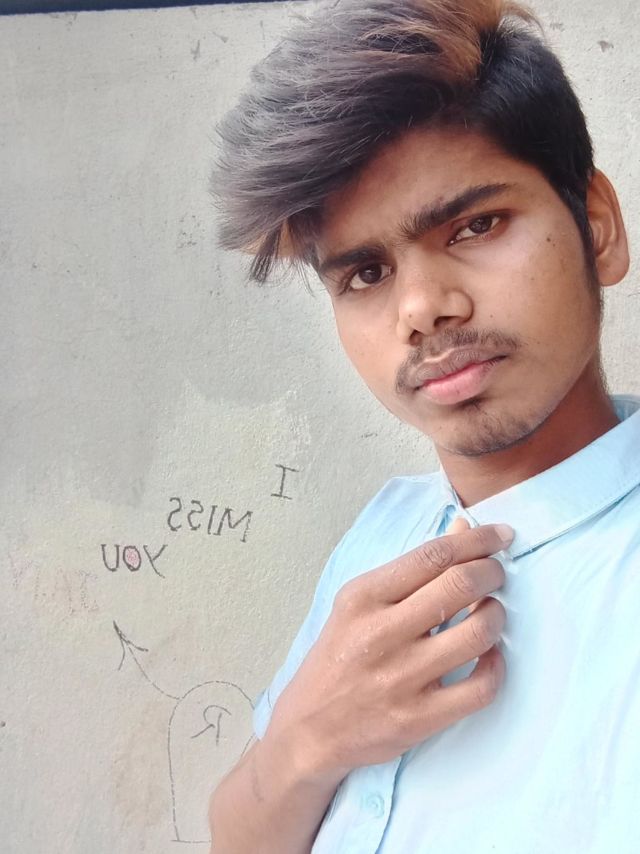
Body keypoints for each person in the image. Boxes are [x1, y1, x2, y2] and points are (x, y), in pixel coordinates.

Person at [208, 1, 639, 851]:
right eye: (365, 274)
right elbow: (236, 833)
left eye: (475, 226)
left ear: (596, 226)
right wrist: (305, 743)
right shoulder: (385, 532)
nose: (422, 310)